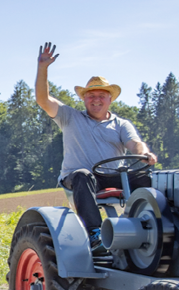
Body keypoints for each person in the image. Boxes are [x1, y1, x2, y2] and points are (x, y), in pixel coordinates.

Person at [33, 42, 156, 243]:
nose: (96, 100)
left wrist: (145, 154)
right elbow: (43, 99)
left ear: (110, 99)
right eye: (91, 96)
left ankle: (152, 228)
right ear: (84, 99)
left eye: (101, 96)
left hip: (112, 176)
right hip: (80, 179)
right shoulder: (70, 117)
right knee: (83, 175)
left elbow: (135, 144)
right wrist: (43, 67)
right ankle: (95, 233)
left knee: (150, 178)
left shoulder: (121, 124)